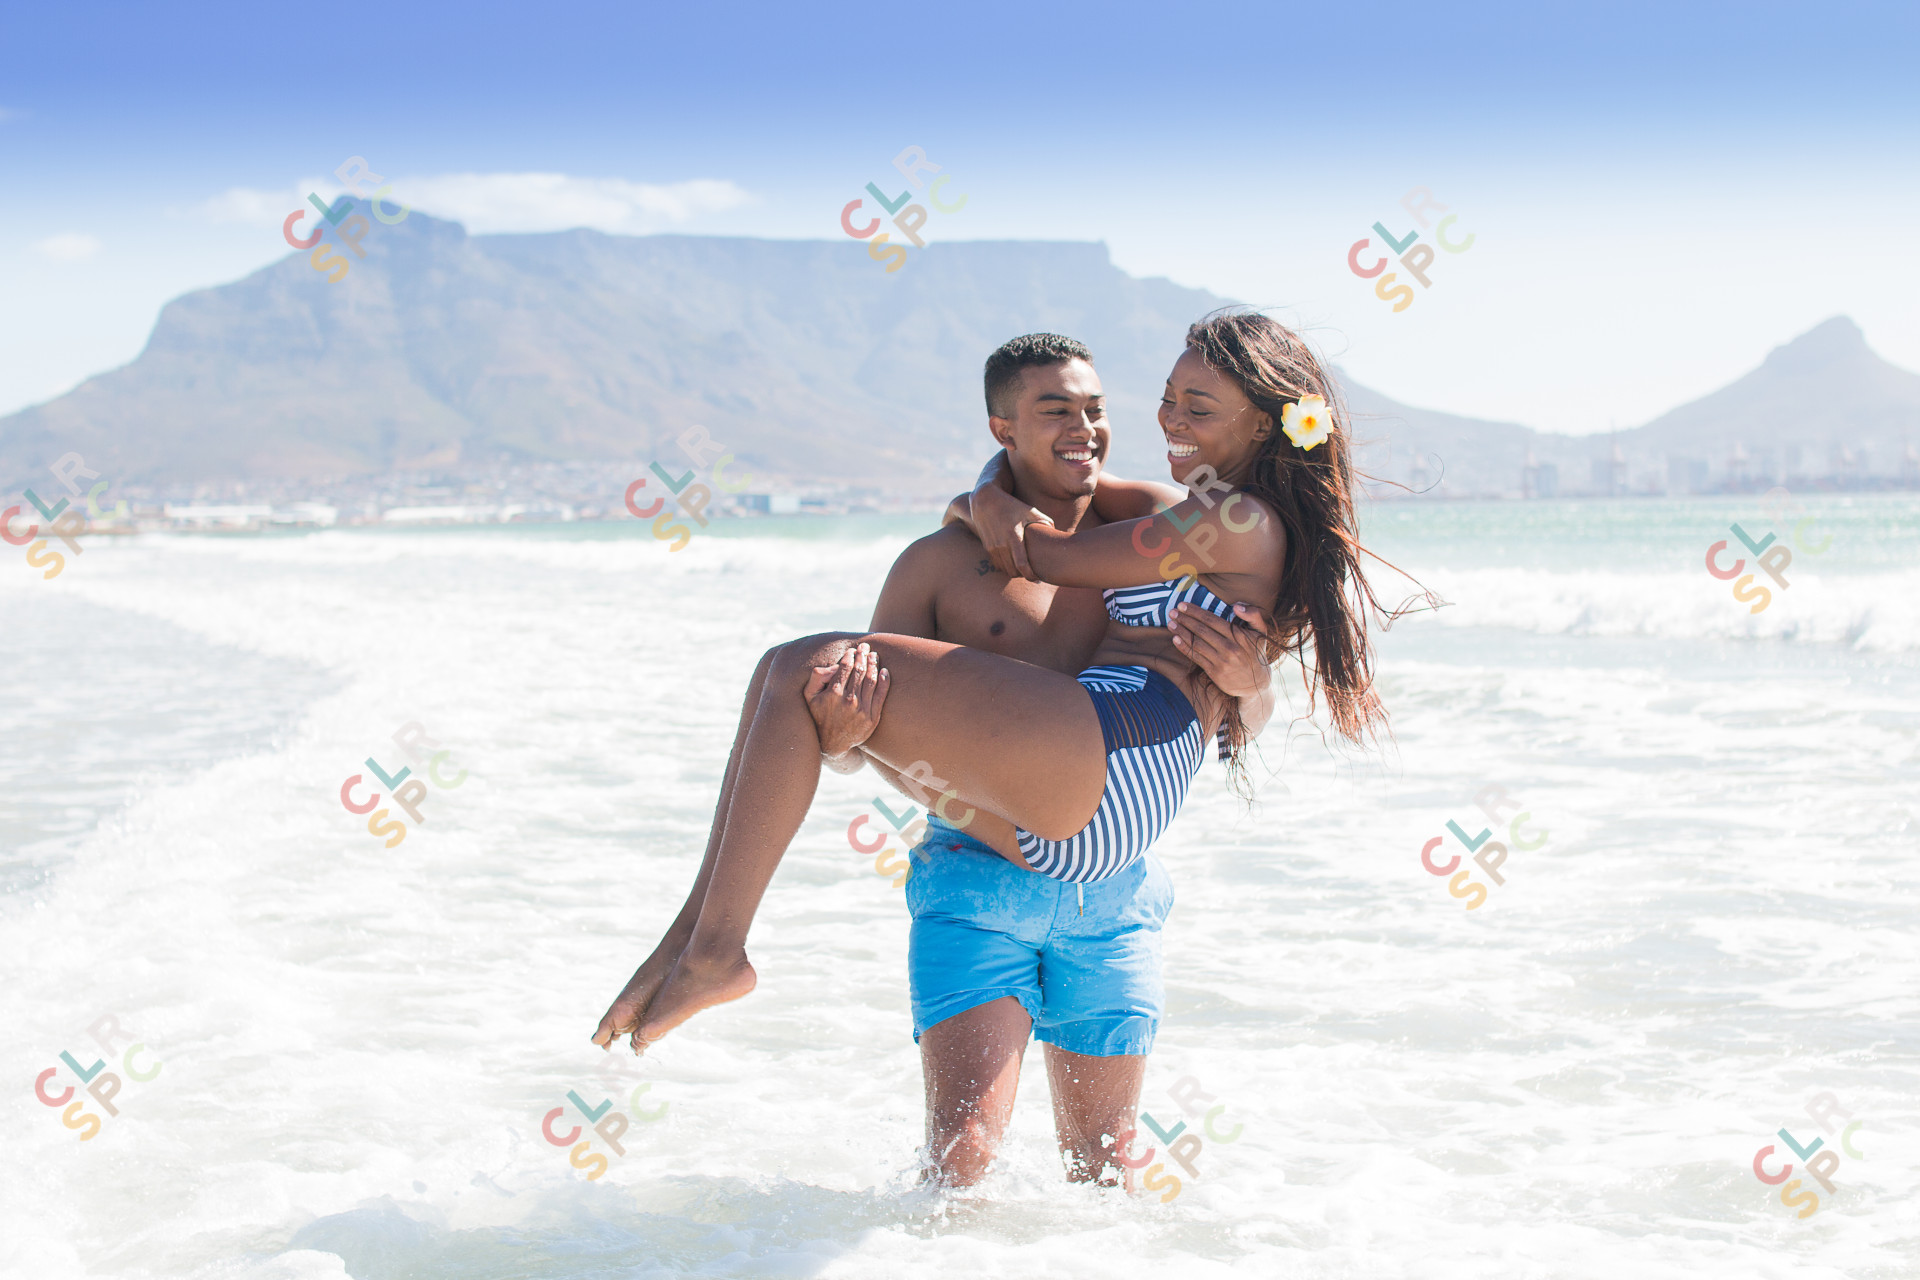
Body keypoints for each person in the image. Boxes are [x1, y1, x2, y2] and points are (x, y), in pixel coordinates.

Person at [593, 308, 1393, 1177]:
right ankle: (697, 941)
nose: (1167, 420)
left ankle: (714, 949)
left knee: (792, 667)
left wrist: (1253, 685)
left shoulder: (1223, 520)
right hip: (1093, 803)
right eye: (1166, 398)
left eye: (1197, 408)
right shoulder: (1181, 511)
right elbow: (1027, 530)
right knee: (784, 679)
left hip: (1112, 767)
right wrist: (981, 497)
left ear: (1265, 423)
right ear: (1004, 427)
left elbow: (1041, 558)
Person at [807, 333, 1279, 1187]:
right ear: (1004, 428)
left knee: (1107, 1173)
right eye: (1055, 410)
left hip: (1114, 887)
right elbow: (869, 729)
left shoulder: (1146, 531)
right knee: (960, 1163)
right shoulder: (934, 567)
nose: (1084, 429)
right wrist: (841, 743)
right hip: (978, 879)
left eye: (1095, 409)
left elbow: (1224, 699)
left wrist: (1256, 686)